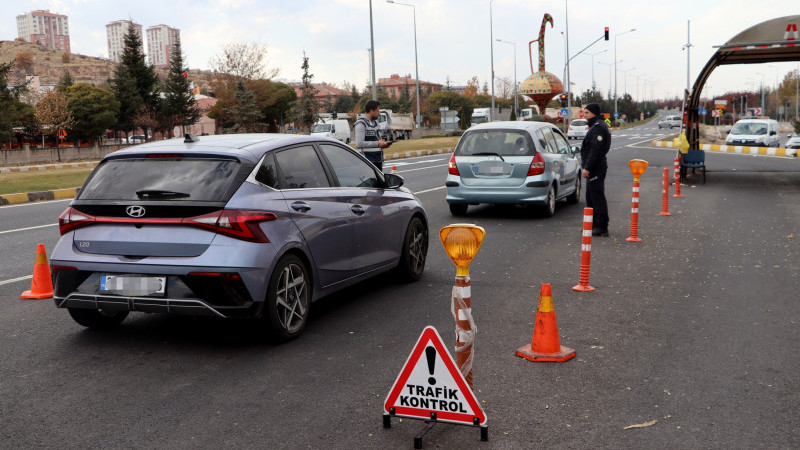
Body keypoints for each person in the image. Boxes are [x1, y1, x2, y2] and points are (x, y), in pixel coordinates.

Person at [580, 102, 611, 237]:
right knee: (590, 197)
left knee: (597, 197)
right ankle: (591, 224)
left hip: (596, 168)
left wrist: (587, 167)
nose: (584, 115)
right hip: (594, 167)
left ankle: (601, 226)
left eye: (587, 112)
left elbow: (596, 150)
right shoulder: (594, 126)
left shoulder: (598, 127)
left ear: (594, 113)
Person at [355, 100, 391, 171]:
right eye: (377, 110)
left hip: (378, 160)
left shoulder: (376, 123)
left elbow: (376, 140)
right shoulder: (361, 124)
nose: (379, 112)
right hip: (367, 162)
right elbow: (359, 143)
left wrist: (383, 144)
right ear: (371, 111)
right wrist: (378, 143)